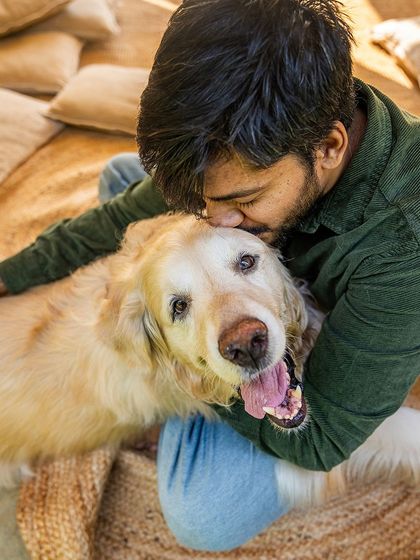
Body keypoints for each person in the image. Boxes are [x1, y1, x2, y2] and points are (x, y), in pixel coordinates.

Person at [1, 0, 420, 551]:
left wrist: (185, 378)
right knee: (124, 183)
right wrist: (10, 276)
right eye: (203, 202)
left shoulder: (404, 249)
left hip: (381, 278)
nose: (214, 222)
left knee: (202, 517)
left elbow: (323, 441)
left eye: (242, 202)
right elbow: (128, 217)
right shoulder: (235, 149)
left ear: (330, 147)